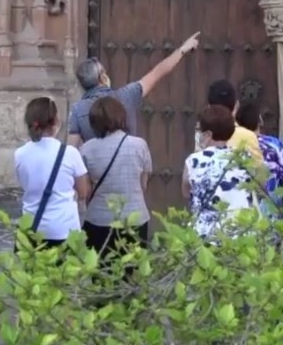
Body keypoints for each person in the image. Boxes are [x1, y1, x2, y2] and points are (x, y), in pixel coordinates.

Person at [67, 31, 202, 146]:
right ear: (102, 77)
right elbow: (158, 72)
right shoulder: (127, 95)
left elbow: (71, 150)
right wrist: (183, 49)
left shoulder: (78, 110)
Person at [81, 97, 153, 257]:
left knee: (101, 274)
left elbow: (85, 192)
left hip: (98, 219)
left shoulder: (86, 149)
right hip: (134, 218)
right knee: (132, 273)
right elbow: (143, 185)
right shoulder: (139, 145)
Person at [15, 97, 89, 247]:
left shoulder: (20, 154)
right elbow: (83, 192)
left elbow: (26, 184)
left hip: (32, 227)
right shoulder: (70, 153)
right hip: (64, 228)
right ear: (56, 121)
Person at [182, 105, 257, 240]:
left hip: (205, 234)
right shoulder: (243, 157)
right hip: (240, 233)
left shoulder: (194, 160)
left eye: (200, 130)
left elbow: (186, 192)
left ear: (208, 134)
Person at [206, 79, 263, 166]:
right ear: (236, 105)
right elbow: (260, 173)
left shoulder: (204, 136)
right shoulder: (248, 136)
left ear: (209, 107)